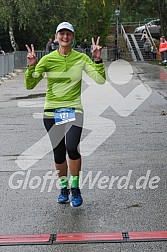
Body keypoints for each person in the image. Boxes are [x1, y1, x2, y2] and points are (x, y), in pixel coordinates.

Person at [24, 21, 106, 207]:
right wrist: (31, 67)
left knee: (72, 147)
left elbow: (100, 80)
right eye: (61, 33)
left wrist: (97, 60)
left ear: (73, 38)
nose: (65, 37)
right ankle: (63, 188)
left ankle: (75, 188)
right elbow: (30, 85)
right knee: (59, 154)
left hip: (73, 109)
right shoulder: (47, 59)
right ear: (56, 37)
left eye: (68, 34)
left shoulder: (81, 58)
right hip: (51, 112)